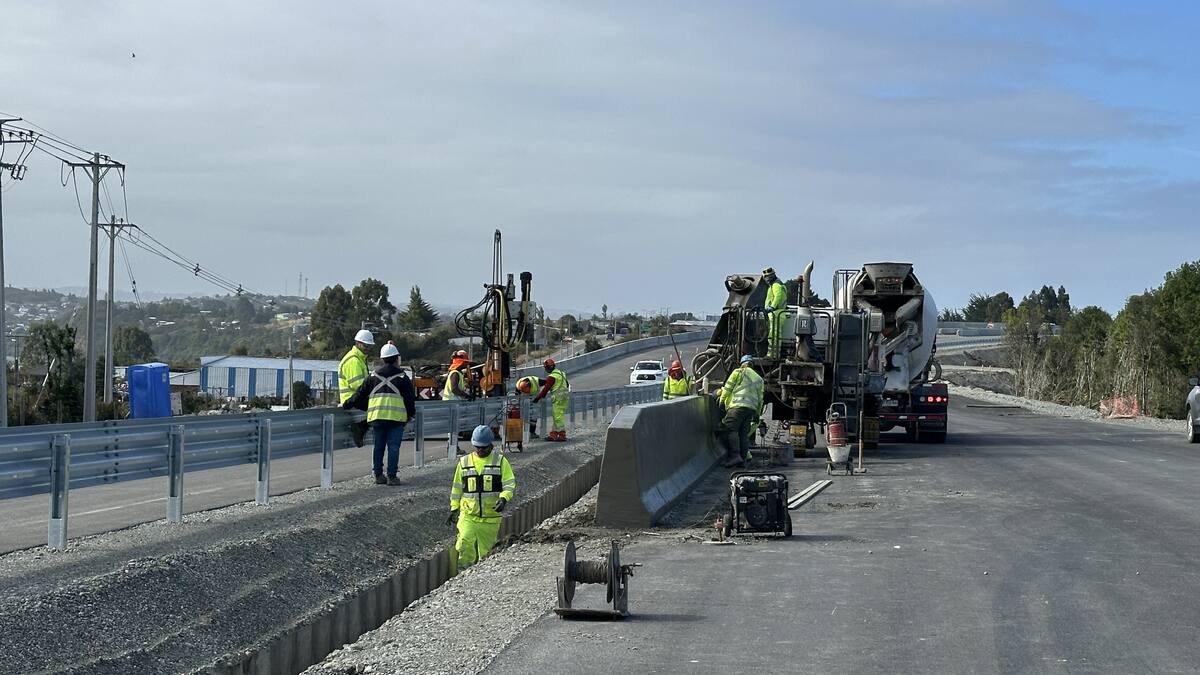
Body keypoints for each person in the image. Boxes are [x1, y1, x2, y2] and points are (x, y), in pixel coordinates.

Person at [343, 343, 417, 485]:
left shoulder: (373, 376)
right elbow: (409, 399)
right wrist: (410, 415)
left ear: (382, 359)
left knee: (379, 447)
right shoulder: (402, 377)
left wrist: (347, 404)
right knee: (393, 447)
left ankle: (378, 475)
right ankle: (392, 477)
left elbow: (359, 394)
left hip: (377, 418)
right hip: (396, 419)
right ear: (396, 358)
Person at [447, 425, 516, 572]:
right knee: (464, 543)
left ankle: (481, 576)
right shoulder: (464, 463)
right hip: (468, 515)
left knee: (486, 551)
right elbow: (457, 487)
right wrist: (454, 508)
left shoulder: (500, 461)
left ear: (491, 445)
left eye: (484, 448)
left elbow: (509, 484)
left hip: (490, 517)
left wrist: (504, 498)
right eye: (478, 447)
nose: (481, 450)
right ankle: (463, 574)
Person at [717, 355, 764, 468]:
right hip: (750, 410)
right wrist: (757, 414)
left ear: (742, 363)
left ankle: (735, 456)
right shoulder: (759, 378)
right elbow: (760, 399)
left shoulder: (738, 372)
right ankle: (742, 460)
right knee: (743, 434)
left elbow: (727, 388)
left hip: (737, 406)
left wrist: (721, 401)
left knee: (730, 429)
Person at [339, 329, 375, 447]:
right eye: (366, 345)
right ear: (358, 343)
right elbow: (359, 386)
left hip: (356, 397)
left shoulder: (359, 359)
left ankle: (361, 428)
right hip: (352, 399)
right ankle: (360, 427)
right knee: (380, 409)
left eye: (370, 346)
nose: (368, 348)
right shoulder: (353, 360)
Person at [532, 358, 570, 441]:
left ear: (548, 367)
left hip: (558, 398)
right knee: (558, 415)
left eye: (546, 368)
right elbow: (567, 384)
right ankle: (554, 434)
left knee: (558, 417)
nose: (546, 370)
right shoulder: (561, 373)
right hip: (565, 397)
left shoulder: (552, 376)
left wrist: (537, 398)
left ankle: (562, 434)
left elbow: (546, 389)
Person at [762, 267, 787, 359]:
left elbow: (778, 296)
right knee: (773, 334)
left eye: (767, 277)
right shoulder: (776, 284)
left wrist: (772, 307)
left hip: (776, 313)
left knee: (773, 335)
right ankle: (774, 354)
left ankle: (773, 355)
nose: (766, 279)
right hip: (777, 313)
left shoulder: (776, 285)